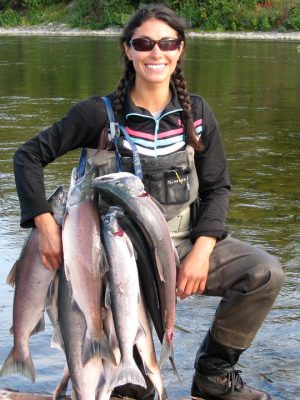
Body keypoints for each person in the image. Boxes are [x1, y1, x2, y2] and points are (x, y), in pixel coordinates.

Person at [13, 4, 284, 400]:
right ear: (128, 50)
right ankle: (106, 371)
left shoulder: (198, 115)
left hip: (186, 243)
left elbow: (218, 188)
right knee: (132, 391)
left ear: (180, 50)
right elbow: (28, 157)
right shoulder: (97, 114)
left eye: (167, 43)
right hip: (118, 260)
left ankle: (214, 375)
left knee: (264, 273)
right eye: (144, 43)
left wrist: (203, 250)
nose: (156, 53)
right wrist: (46, 225)